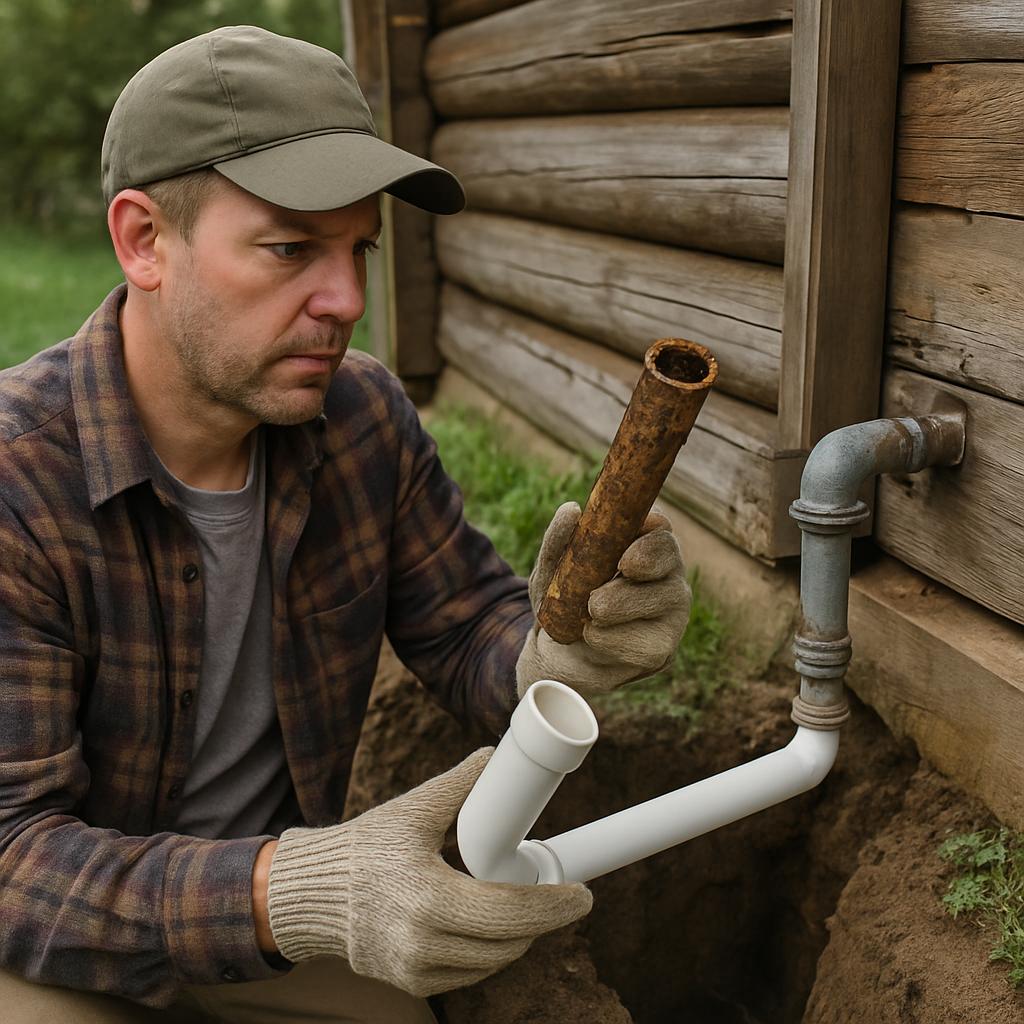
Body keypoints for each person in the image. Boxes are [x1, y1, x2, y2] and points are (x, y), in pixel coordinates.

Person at [0, 25, 691, 1024]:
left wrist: (558, 659)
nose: (346, 300)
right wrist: (295, 889)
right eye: (289, 249)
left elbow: (463, 630)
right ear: (144, 240)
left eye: (357, 249)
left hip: (278, 929)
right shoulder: (20, 485)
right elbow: (13, 855)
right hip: (66, 944)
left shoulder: (360, 420)